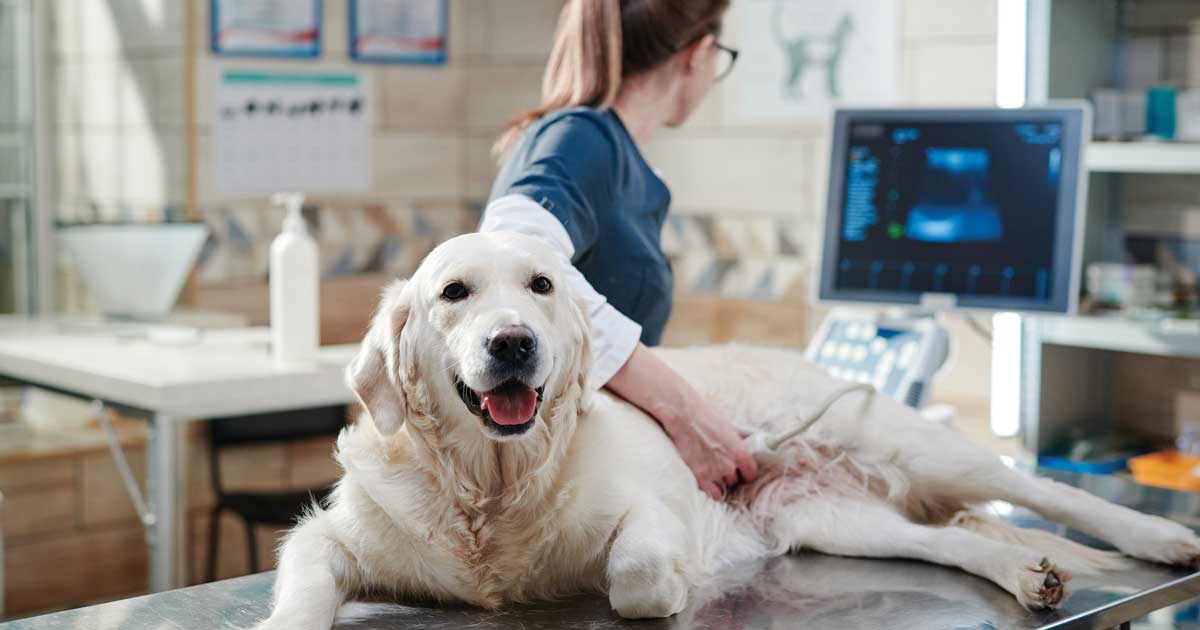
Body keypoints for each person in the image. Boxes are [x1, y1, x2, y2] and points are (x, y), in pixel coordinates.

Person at [480, 0, 756, 500]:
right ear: (701, 53)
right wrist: (687, 414)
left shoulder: (610, 152)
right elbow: (509, 251)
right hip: (563, 489)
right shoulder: (580, 138)